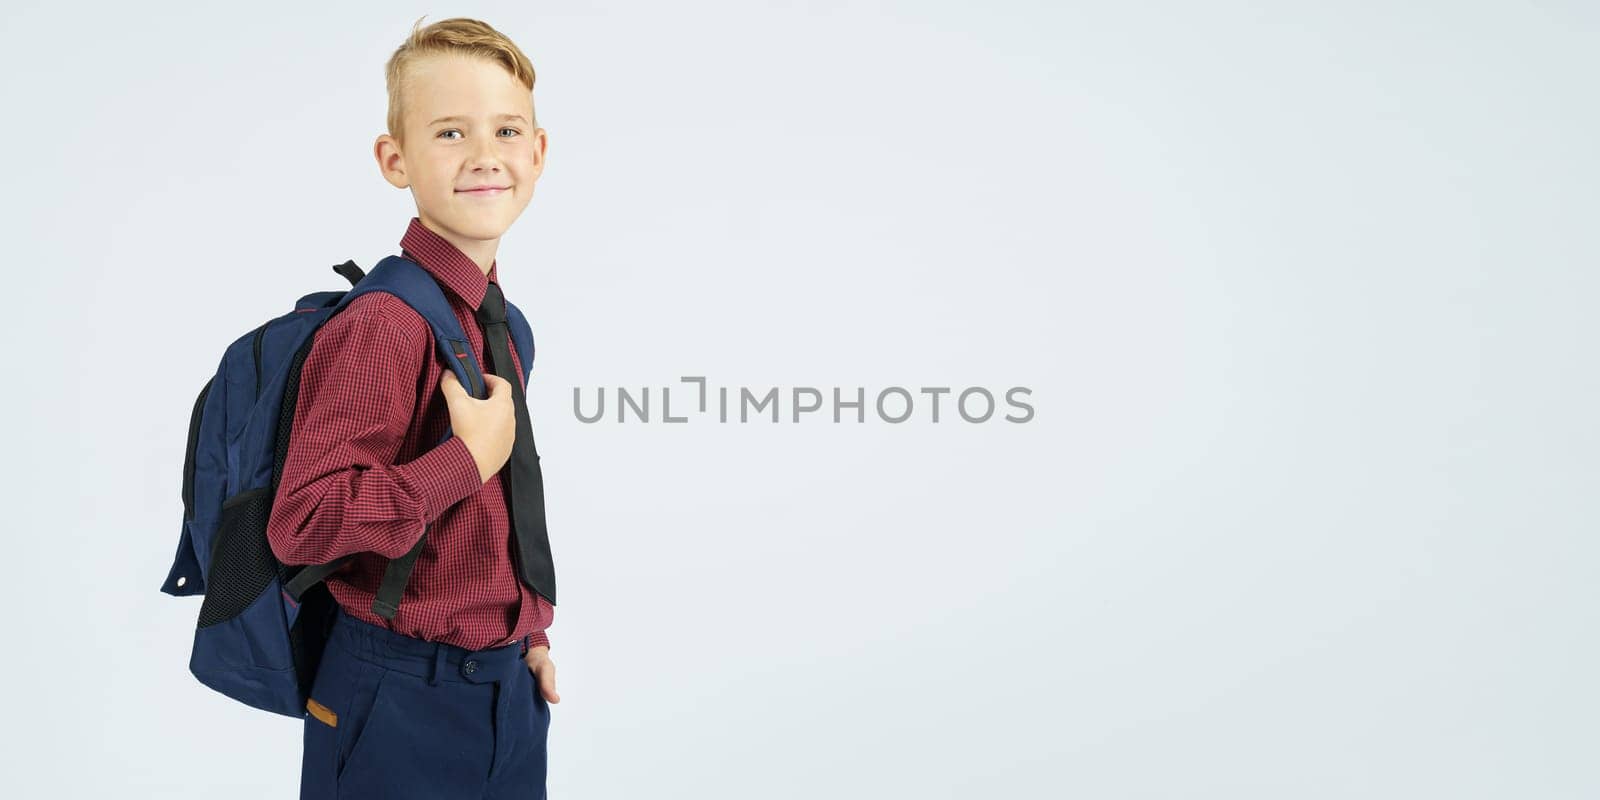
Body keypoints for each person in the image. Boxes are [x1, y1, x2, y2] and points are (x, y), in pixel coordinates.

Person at [264, 15, 559, 799]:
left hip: (505, 692)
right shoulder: (383, 326)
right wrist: (463, 461)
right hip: (394, 695)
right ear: (395, 160)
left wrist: (525, 633)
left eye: (505, 129)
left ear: (538, 151)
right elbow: (304, 520)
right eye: (451, 133)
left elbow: (496, 514)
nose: (485, 156)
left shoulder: (504, 323)